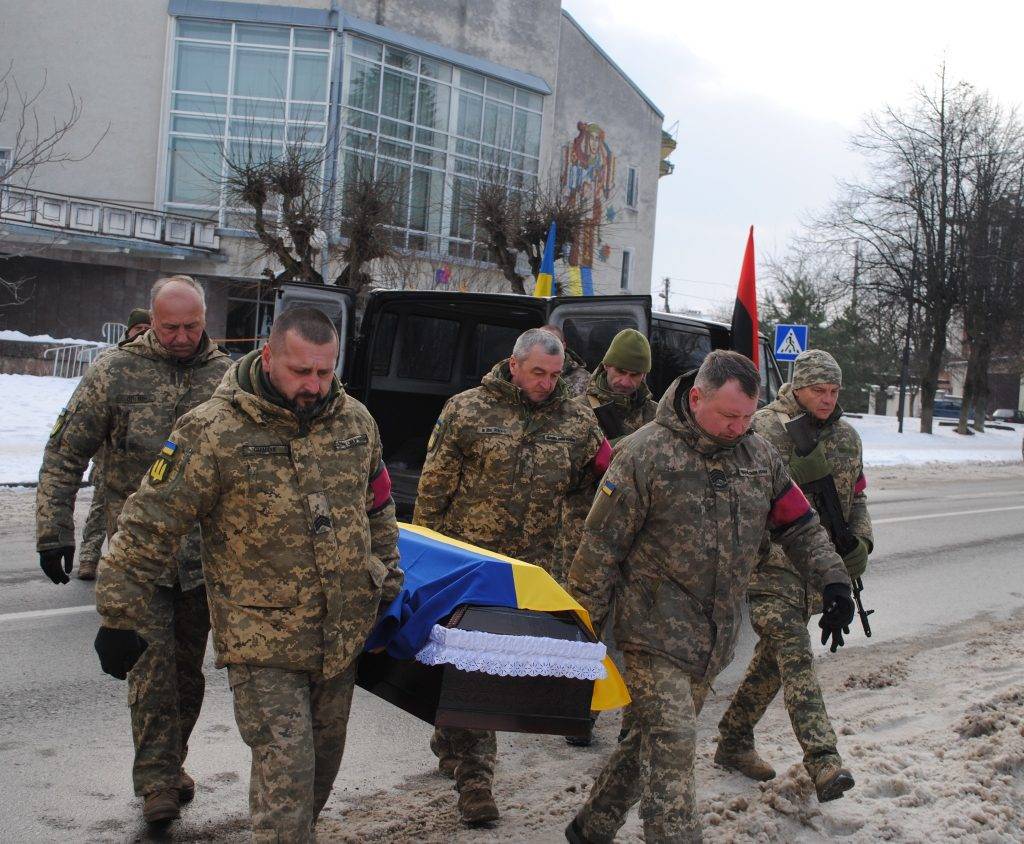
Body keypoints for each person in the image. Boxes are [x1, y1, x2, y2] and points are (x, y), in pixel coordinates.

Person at [93, 307, 403, 843]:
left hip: (341, 636)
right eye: (300, 372)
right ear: (268, 356)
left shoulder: (355, 422)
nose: (313, 385)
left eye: (325, 373)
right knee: (286, 783)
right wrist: (119, 615)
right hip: (261, 642)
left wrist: (387, 588)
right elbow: (147, 524)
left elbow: (377, 509)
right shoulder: (212, 431)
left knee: (317, 780)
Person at [564, 350, 854, 844]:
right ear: (696, 398)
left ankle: (591, 827)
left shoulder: (758, 455)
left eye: (746, 416)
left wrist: (834, 580)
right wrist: (576, 632)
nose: (738, 427)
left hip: (713, 639)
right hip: (651, 632)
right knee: (675, 746)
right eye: (728, 415)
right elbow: (600, 548)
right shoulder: (644, 453)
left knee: (647, 742)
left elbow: (799, 525)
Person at [36, 278, 229, 823]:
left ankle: (172, 762)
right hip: (135, 557)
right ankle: (157, 783)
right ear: (153, 319)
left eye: (192, 326)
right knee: (150, 670)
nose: (181, 337)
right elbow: (64, 453)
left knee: (188, 674)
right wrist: (54, 530)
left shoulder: (227, 379)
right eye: (170, 327)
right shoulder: (114, 373)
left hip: (201, 559)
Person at [414, 327, 610, 826]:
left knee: (482, 672)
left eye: (555, 374)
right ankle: (476, 785)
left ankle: (450, 729)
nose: (546, 383)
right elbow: (434, 489)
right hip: (470, 568)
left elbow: (608, 483)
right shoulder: (466, 410)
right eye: (537, 373)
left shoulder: (578, 421)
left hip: (532, 572)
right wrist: (420, 562)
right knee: (476, 671)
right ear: (514, 365)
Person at [716, 348, 872, 801]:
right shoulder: (762, 429)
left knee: (774, 662)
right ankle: (824, 761)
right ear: (797, 387)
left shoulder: (846, 438)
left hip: (817, 570)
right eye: (818, 390)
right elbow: (740, 500)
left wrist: (861, 543)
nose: (827, 399)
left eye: (834, 390)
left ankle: (733, 739)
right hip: (768, 567)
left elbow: (857, 497)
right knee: (795, 653)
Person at [76, 308, 152, 581]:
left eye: (147, 326)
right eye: (137, 327)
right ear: (128, 331)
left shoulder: (156, 363)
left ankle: (120, 565)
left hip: (137, 456)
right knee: (99, 507)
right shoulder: (110, 360)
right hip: (107, 451)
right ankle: (88, 558)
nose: (142, 331)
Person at [582, 328, 657, 444]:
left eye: (634, 375)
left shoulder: (656, 417)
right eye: (620, 372)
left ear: (644, 375)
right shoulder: (577, 410)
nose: (625, 382)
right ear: (606, 365)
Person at [540, 324, 590, 397]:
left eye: (553, 345)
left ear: (563, 346)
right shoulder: (526, 372)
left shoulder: (584, 379)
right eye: (541, 344)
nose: (547, 349)